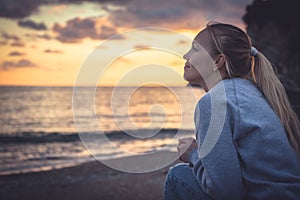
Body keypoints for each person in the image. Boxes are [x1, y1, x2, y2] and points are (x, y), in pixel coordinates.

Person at [164, 22, 300, 200]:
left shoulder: (214, 102)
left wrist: (193, 155)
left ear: (218, 61)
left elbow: (225, 191)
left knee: (178, 176)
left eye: (195, 49)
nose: (185, 55)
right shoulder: (250, 92)